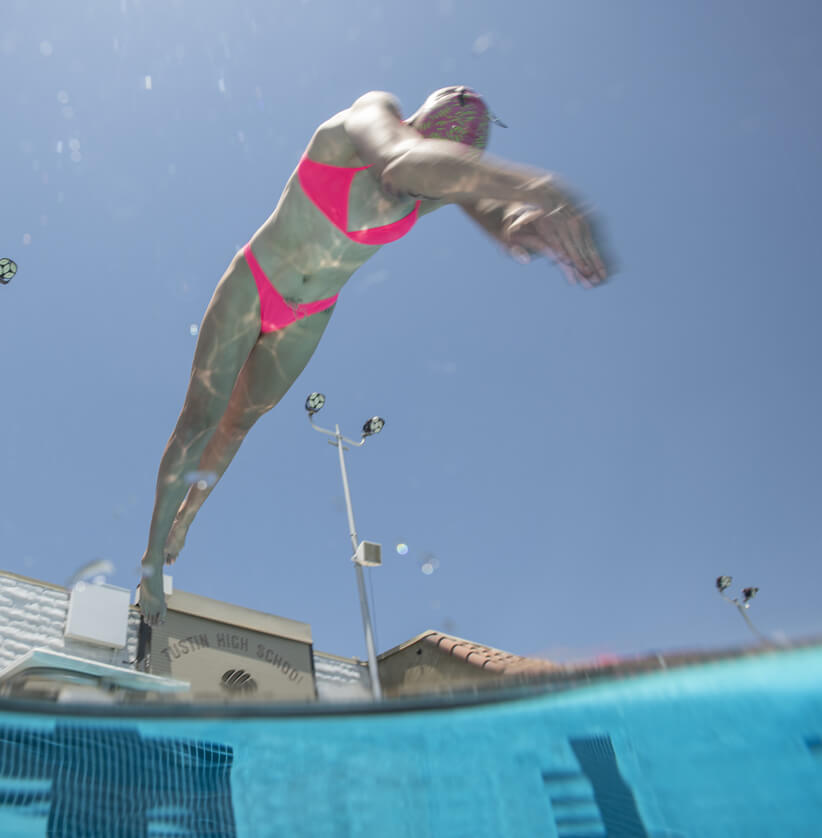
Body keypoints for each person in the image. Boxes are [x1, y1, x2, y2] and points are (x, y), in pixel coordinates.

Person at [138, 86, 610, 623]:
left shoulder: (433, 190)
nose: (463, 118)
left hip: (310, 312)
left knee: (237, 427)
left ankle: (189, 515)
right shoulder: (372, 114)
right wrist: (539, 187)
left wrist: (515, 221)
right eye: (456, 108)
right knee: (199, 419)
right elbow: (399, 159)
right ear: (424, 110)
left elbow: (475, 199)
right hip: (256, 280)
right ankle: (151, 561)